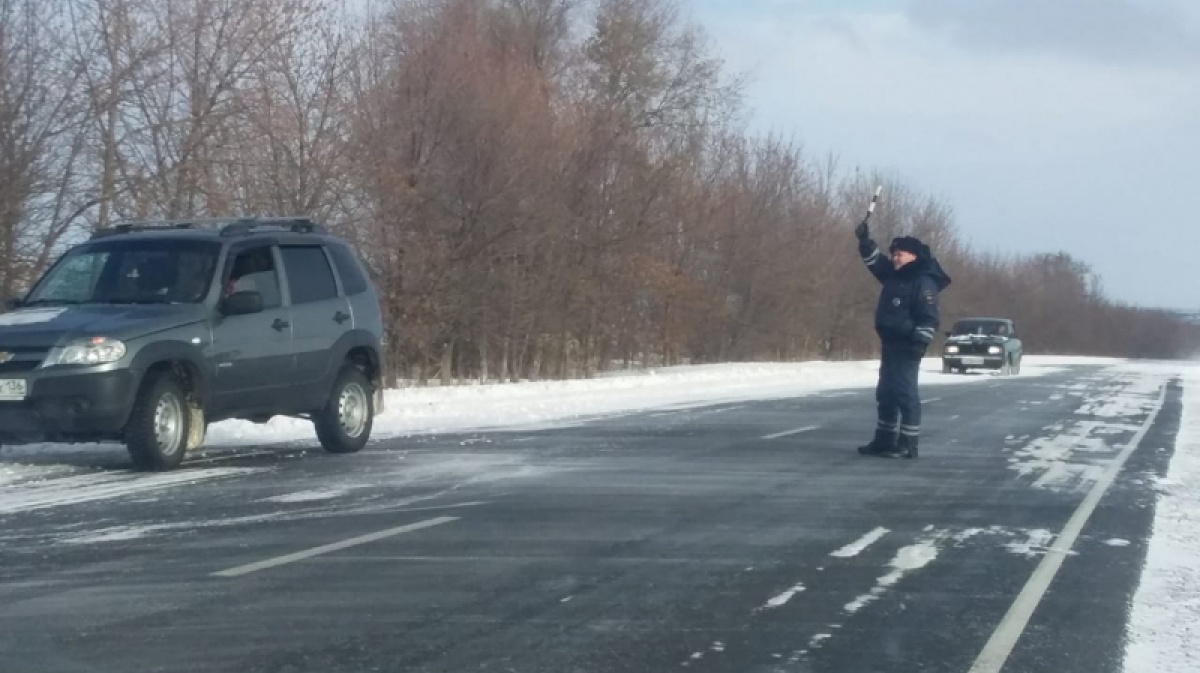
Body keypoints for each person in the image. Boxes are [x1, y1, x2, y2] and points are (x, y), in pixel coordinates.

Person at [855, 219, 951, 458]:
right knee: (886, 393)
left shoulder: (922, 281)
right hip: (890, 344)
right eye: (894, 254)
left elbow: (928, 317)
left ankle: (908, 443)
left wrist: (920, 342)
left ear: (914, 256)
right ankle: (884, 440)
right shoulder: (895, 276)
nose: (895, 258)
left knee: (904, 393)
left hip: (908, 346)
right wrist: (865, 242)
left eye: (900, 254)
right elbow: (875, 263)